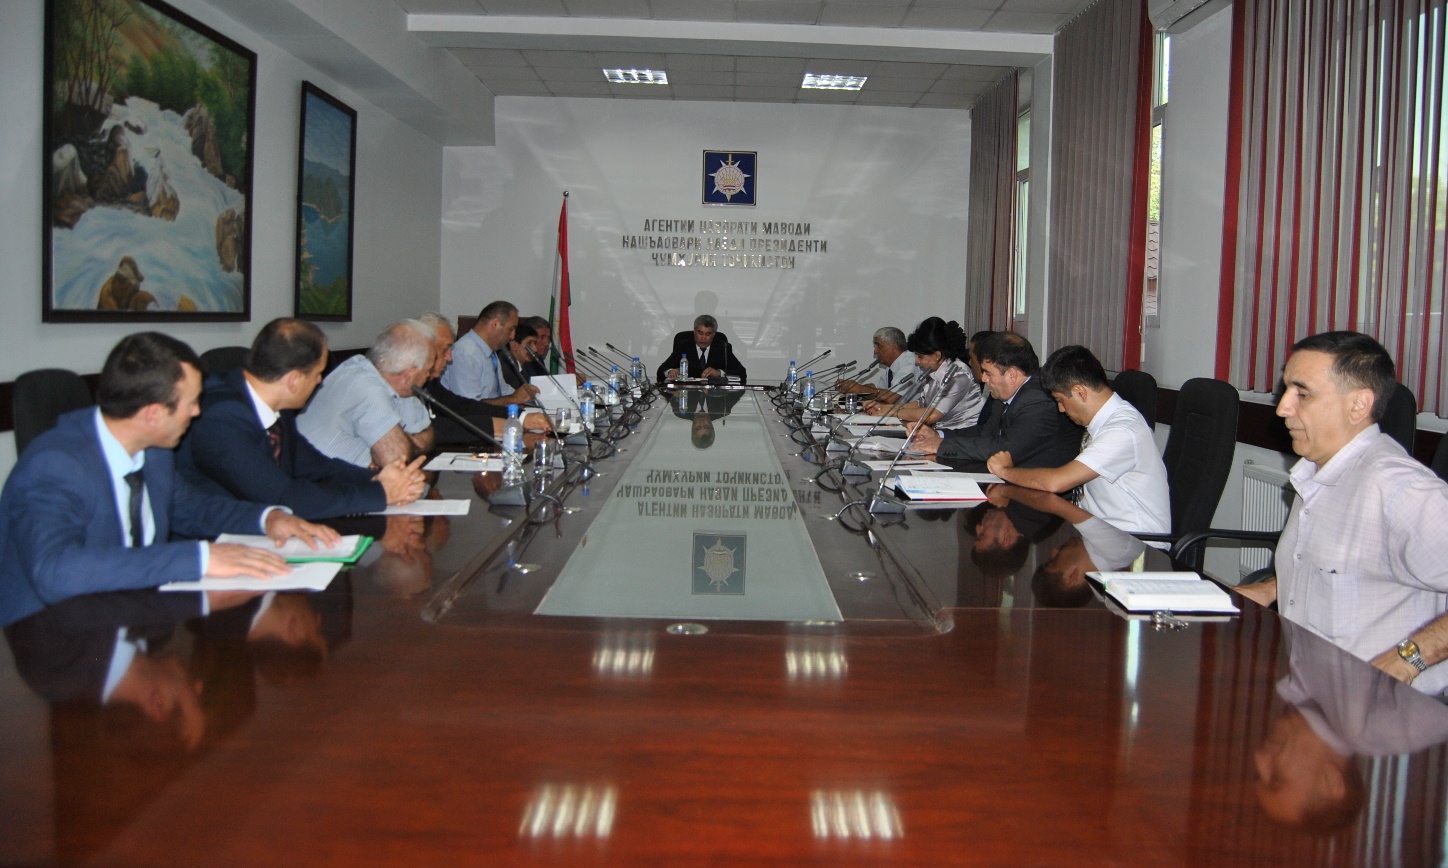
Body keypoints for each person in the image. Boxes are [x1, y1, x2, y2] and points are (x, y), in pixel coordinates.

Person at [0, 333, 338, 627]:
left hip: (131, 619)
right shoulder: (54, 464)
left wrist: (268, 518)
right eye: (191, 404)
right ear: (153, 414)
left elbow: (192, 508)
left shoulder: (154, 451)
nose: (197, 412)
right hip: (52, 643)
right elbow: (55, 571)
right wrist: (199, 558)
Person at [1233, 331, 1448, 696]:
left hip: (1381, 709)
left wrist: (1408, 658)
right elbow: (1349, 570)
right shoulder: (1317, 471)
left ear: (1358, 405)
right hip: (1307, 687)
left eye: (1303, 394)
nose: (1282, 408)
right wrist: (1272, 587)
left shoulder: (1401, 489)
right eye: (1286, 391)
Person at [178, 318, 427, 520]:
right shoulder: (219, 418)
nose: (320, 381)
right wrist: (381, 494)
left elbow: (316, 466)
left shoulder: (279, 406)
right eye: (318, 374)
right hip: (214, 541)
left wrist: (378, 479)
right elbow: (282, 496)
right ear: (294, 381)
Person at [986, 345, 1169, 535]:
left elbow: (1056, 482)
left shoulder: (1122, 431)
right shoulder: (1102, 423)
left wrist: (1005, 471)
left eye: (1060, 400)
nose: (1061, 409)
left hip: (1135, 542)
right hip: (1097, 530)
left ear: (1080, 392)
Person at [911, 331, 1081, 472]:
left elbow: (1005, 449)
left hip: (1041, 489)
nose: (984, 379)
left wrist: (941, 445)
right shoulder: (1007, 393)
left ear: (1012, 375)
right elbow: (986, 432)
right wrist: (939, 435)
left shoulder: (1038, 399)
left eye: (988, 373)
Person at [297, 320, 438, 469]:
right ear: (409, 374)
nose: (428, 376)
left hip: (348, 477)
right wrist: (402, 441)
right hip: (312, 479)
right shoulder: (362, 384)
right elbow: (397, 459)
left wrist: (397, 441)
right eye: (427, 370)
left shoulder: (399, 387)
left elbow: (427, 436)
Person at [863, 317, 983, 430]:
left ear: (936, 355)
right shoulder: (935, 373)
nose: (916, 361)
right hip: (939, 434)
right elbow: (921, 404)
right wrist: (883, 408)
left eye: (920, 356)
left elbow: (930, 415)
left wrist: (891, 412)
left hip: (961, 438)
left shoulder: (957, 376)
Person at [439, 300, 537, 408]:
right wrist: (513, 399)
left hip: (492, 415)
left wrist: (528, 397)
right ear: (495, 324)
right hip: (475, 417)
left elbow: (503, 391)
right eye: (510, 329)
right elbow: (469, 406)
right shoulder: (465, 353)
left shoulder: (490, 352)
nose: (512, 336)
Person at [657, 314, 747, 383]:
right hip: (688, 396)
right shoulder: (683, 346)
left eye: (708, 334)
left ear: (714, 334)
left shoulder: (722, 348)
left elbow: (742, 373)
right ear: (694, 331)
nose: (703, 338)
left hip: (714, 398)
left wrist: (719, 373)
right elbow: (661, 370)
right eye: (700, 333)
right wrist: (670, 371)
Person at [837, 327, 915, 400]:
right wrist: (851, 387)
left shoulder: (910, 363)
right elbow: (877, 388)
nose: (875, 351)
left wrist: (860, 389)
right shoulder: (892, 368)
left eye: (879, 346)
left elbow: (891, 397)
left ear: (894, 346)